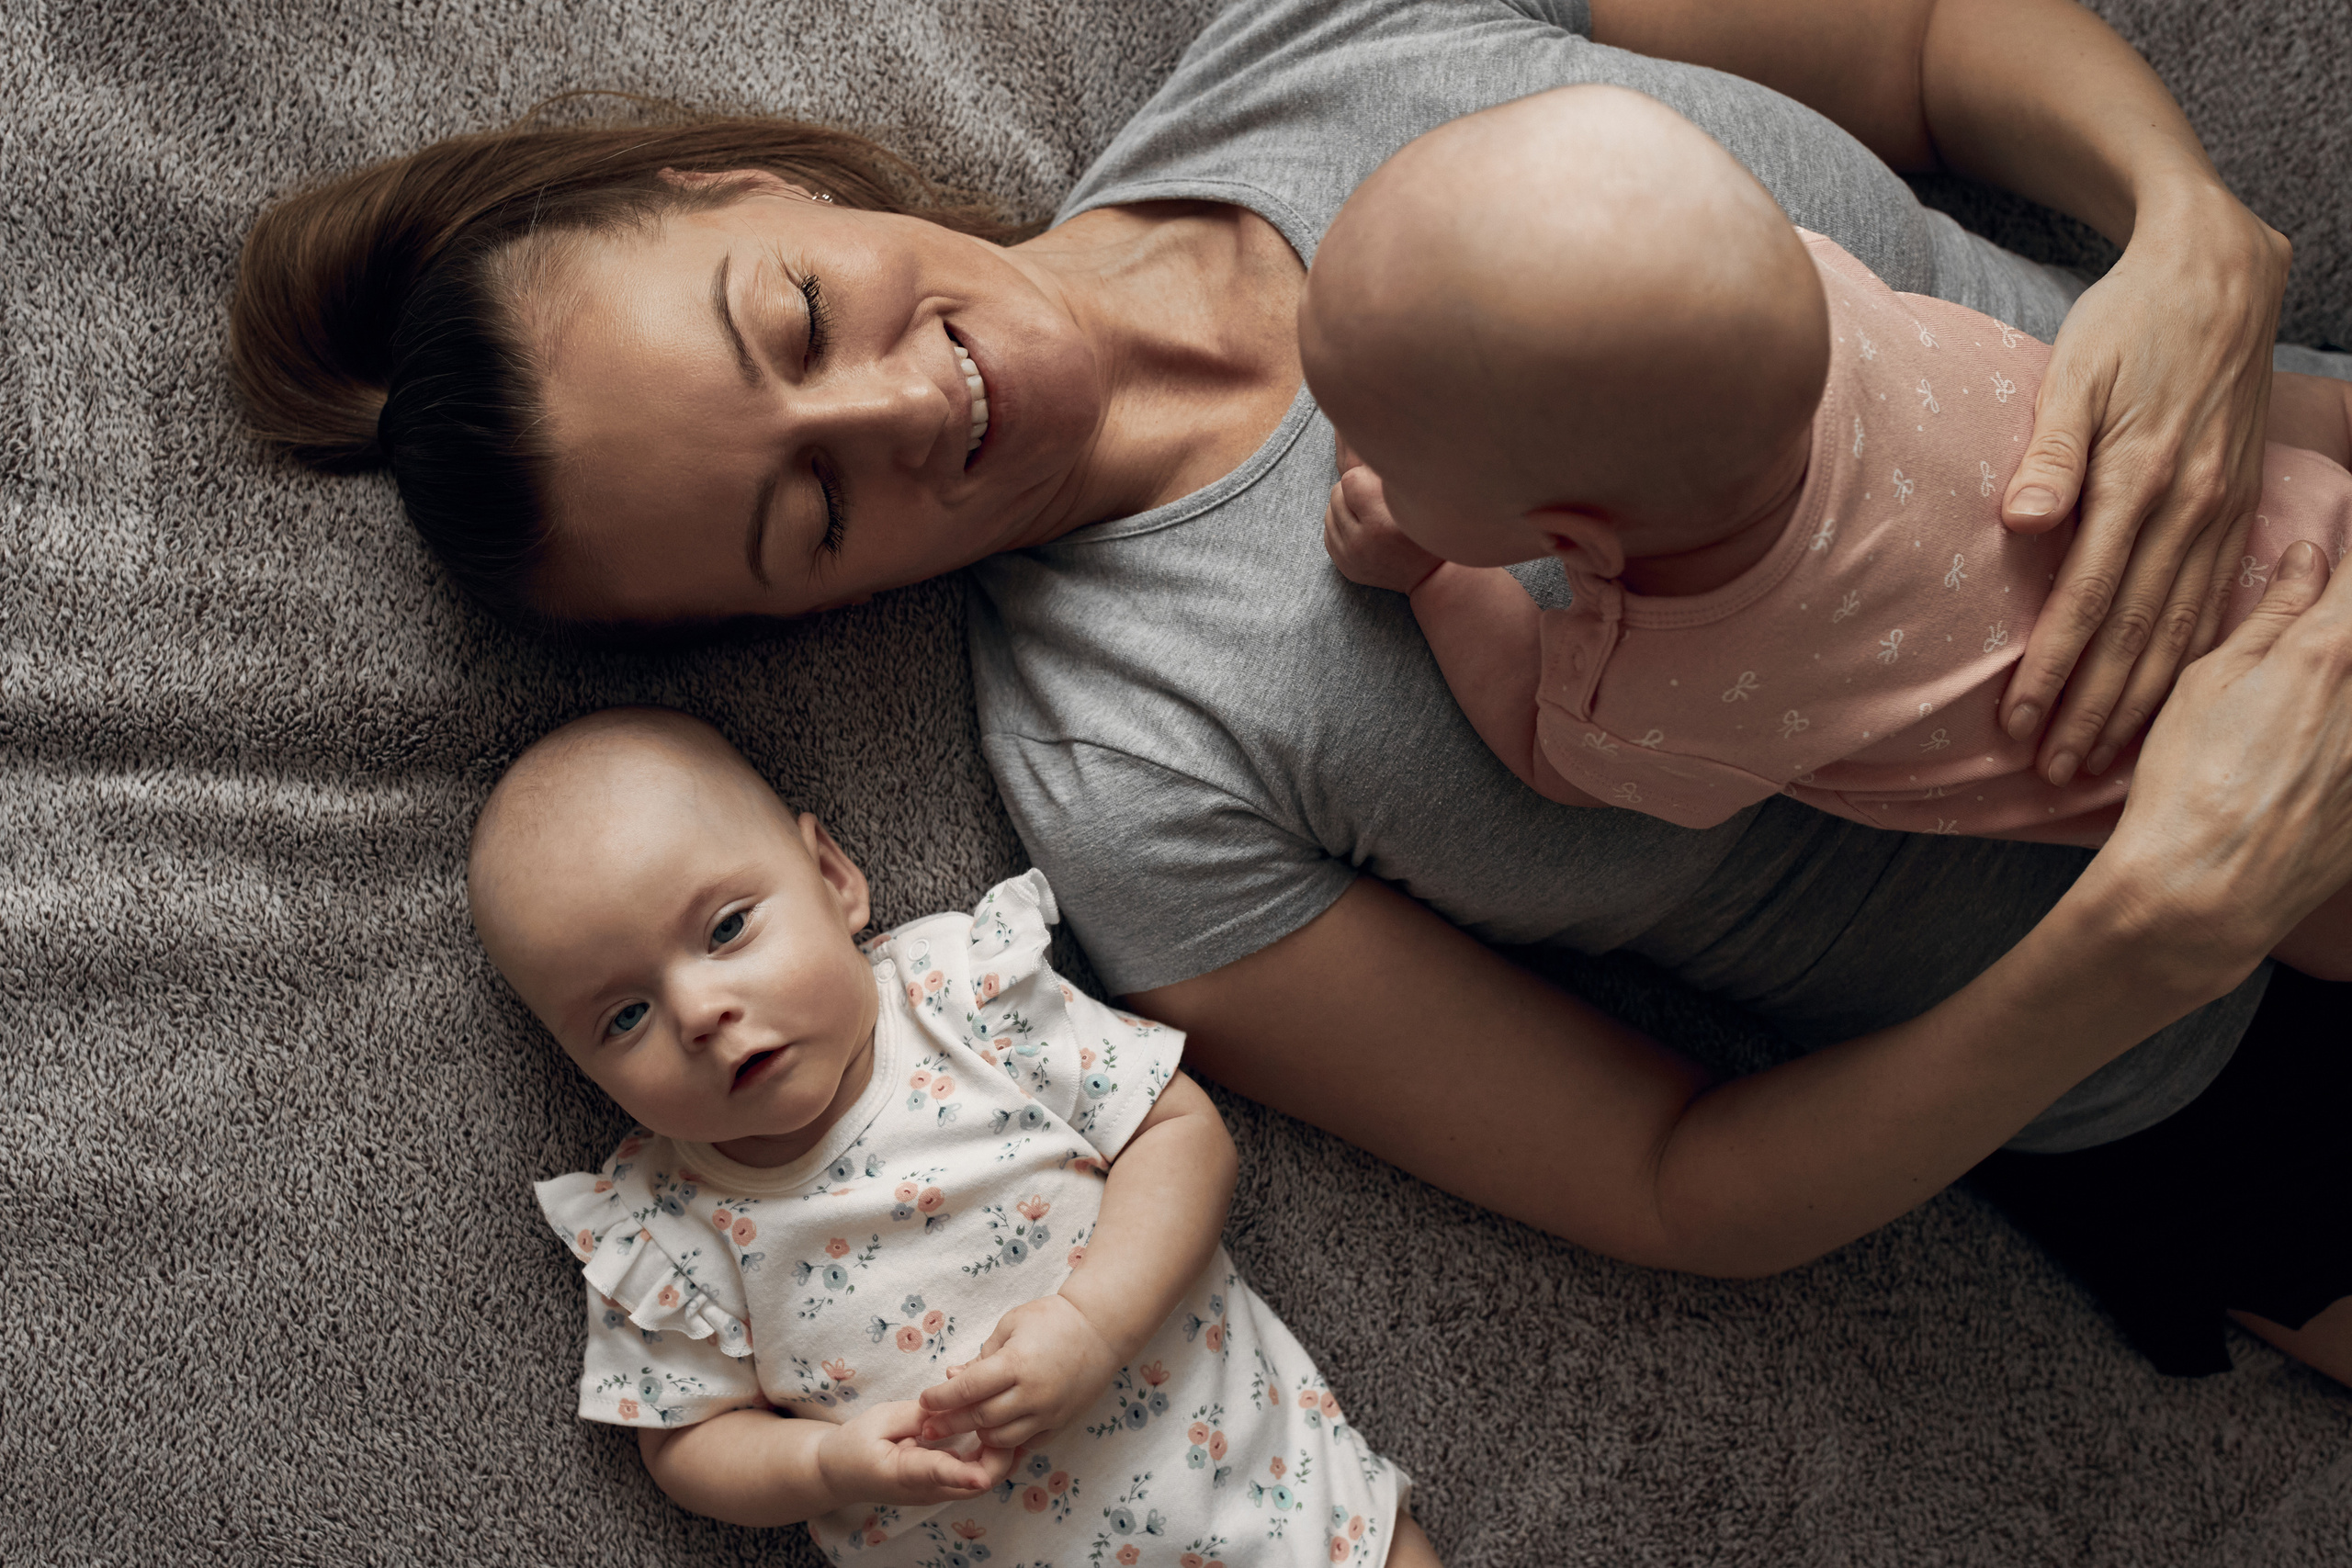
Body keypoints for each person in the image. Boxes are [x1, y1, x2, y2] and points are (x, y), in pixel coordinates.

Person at [229, 0, 2352, 1383]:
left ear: (742, 187)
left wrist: (2179, 221)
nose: (902, 399)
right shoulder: (1134, 789)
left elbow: (1906, 39)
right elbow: (1675, 1181)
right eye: (810, 513)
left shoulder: (1325, 49)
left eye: (796, 311)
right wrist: (2142, 927)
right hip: (2208, 1064)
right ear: (807, 616)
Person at [1311, 85, 2352, 982]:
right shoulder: (1809, 286)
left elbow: (1548, 758)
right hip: (2305, 507)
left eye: (1391, 457)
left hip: (2284, 783)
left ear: (1575, 542)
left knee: (2308, 907)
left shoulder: (1658, 693)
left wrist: (1436, 578)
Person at [477, 706, 1431, 1567]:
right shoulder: (664, 1231)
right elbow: (687, 1444)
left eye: (726, 928)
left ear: (831, 878)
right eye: (623, 1018)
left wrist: (1089, 1329)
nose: (699, 1011)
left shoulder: (967, 1001)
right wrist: (821, 1463)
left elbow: (1177, 1132)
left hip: (1266, 1497)